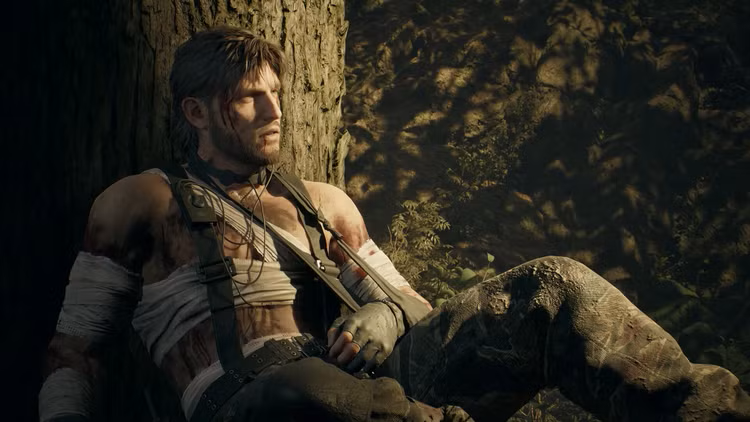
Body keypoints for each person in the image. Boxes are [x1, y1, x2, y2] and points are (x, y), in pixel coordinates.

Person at [38, 26, 750, 422]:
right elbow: (74, 351)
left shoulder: (323, 204)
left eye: (276, 93)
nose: (274, 111)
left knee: (553, 285)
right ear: (196, 112)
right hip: (260, 403)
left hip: (387, 389)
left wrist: (383, 312)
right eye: (249, 99)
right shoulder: (142, 202)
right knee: (304, 391)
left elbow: (414, 307)